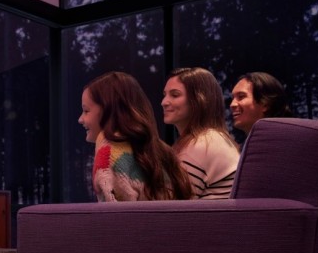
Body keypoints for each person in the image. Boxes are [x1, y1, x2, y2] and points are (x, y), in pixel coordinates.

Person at [78, 71, 192, 201]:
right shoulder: (162, 151)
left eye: (86, 111)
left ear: (109, 110)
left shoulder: (108, 150)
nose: (80, 119)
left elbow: (113, 211)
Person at [162, 67, 241, 200]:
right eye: (165, 95)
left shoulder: (203, 143)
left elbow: (171, 205)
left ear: (199, 100)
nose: (164, 102)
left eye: (175, 95)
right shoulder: (211, 138)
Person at [229, 71, 294, 139]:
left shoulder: (288, 142)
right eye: (232, 98)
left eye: (241, 96)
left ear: (265, 103)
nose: (232, 104)